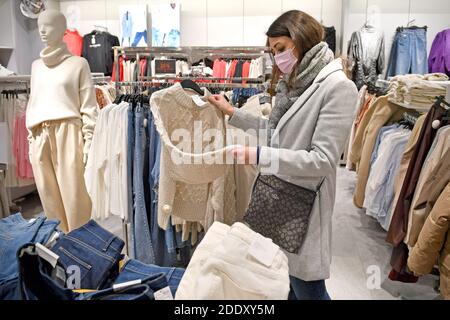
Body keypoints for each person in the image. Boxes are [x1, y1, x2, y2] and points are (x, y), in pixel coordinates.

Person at [208, 10, 358, 300]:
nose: (277, 58)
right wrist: (231, 112)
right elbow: (278, 133)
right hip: (281, 199)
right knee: (283, 280)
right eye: (272, 51)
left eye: (280, 49)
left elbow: (322, 161)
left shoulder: (338, 87)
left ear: (300, 40)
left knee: (307, 286)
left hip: (303, 205)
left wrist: (260, 156)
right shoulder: (297, 84)